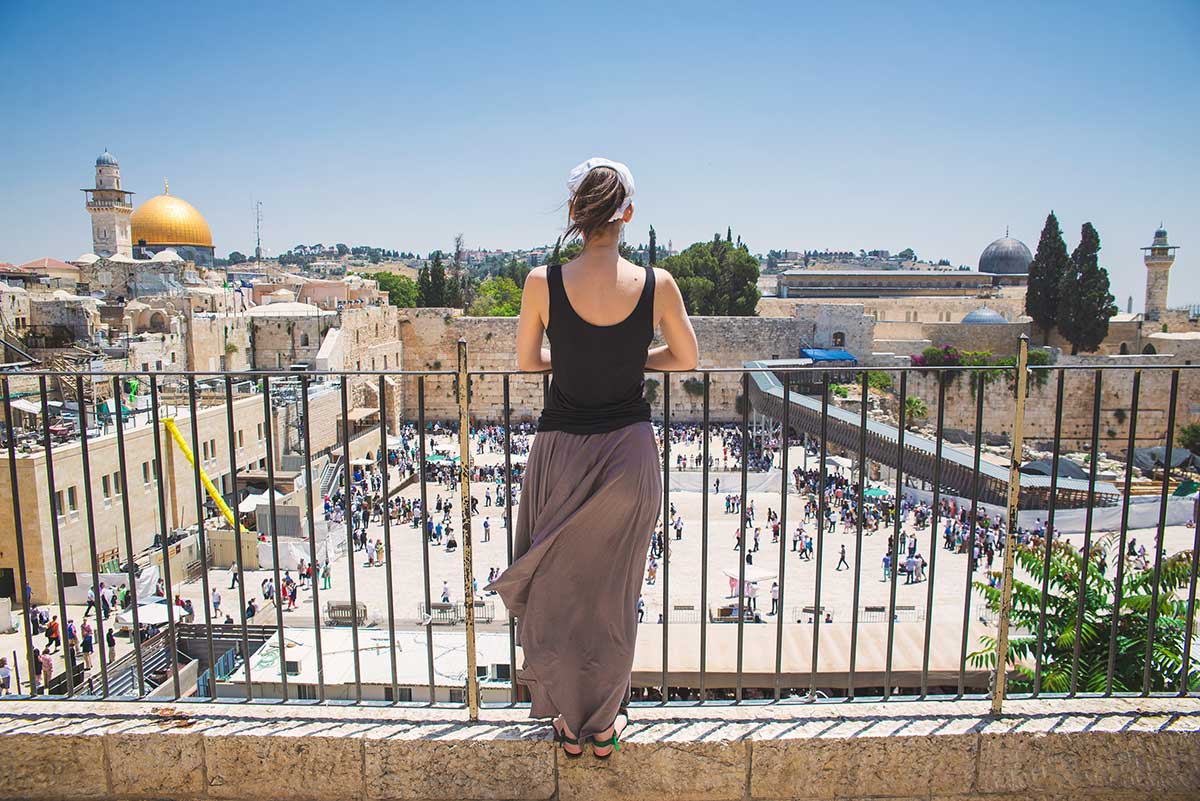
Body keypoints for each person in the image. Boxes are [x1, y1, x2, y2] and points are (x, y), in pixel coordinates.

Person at [486, 157, 697, 759]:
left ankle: (563, 717)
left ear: (576, 214)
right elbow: (684, 358)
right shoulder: (657, 284)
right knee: (614, 594)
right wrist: (634, 360)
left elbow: (528, 363)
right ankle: (604, 722)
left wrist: (570, 362)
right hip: (629, 455)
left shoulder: (539, 282)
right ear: (627, 214)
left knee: (557, 586)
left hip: (562, 451)